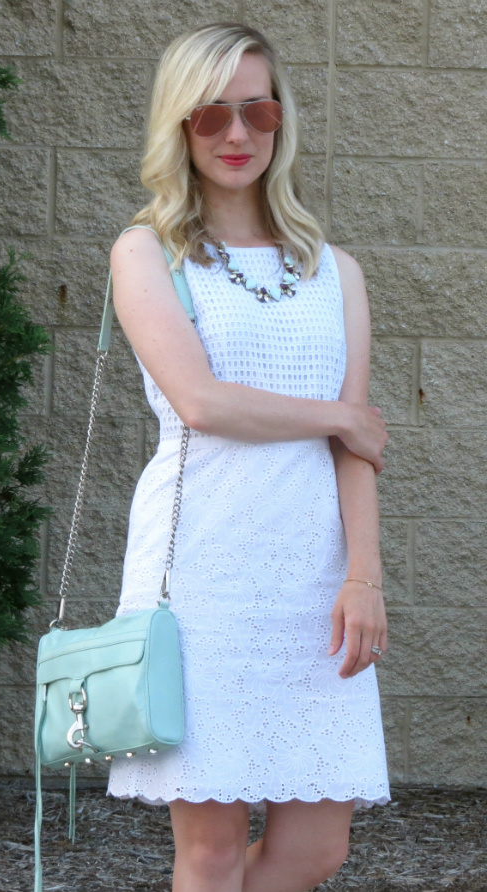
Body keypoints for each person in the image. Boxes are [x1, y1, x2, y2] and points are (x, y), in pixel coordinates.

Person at [106, 22, 389, 892]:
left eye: (258, 110)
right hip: (204, 575)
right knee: (212, 851)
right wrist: (337, 414)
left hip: (317, 581)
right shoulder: (147, 251)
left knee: (319, 850)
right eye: (210, 116)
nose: (238, 135)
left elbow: (356, 448)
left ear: (281, 119)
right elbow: (202, 402)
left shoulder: (334, 270)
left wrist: (366, 575)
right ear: (177, 127)